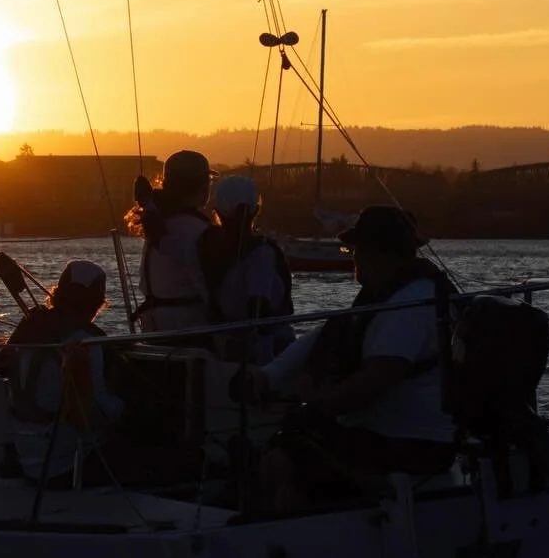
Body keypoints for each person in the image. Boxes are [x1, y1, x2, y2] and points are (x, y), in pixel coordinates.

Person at [244, 205, 457, 514]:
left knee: (290, 468)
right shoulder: (384, 294)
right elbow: (324, 336)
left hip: (410, 445)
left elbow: (377, 379)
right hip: (378, 435)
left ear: (380, 253)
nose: (352, 257)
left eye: (355, 249)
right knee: (278, 453)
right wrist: (269, 376)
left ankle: (277, 537)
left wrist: (316, 406)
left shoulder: (411, 304)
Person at [6, 261, 123, 479]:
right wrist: (123, 406)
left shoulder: (29, 330)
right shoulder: (84, 342)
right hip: (66, 463)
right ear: (97, 302)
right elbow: (97, 408)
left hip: (26, 457)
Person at [207, 174, 295, 365]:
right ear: (256, 210)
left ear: (218, 212)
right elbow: (259, 309)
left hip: (237, 354)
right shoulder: (262, 253)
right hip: (265, 357)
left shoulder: (210, 250)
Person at [134, 150, 216, 333]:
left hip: (153, 329)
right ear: (201, 186)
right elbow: (211, 286)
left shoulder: (158, 222)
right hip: (190, 330)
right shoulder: (196, 229)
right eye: (209, 181)